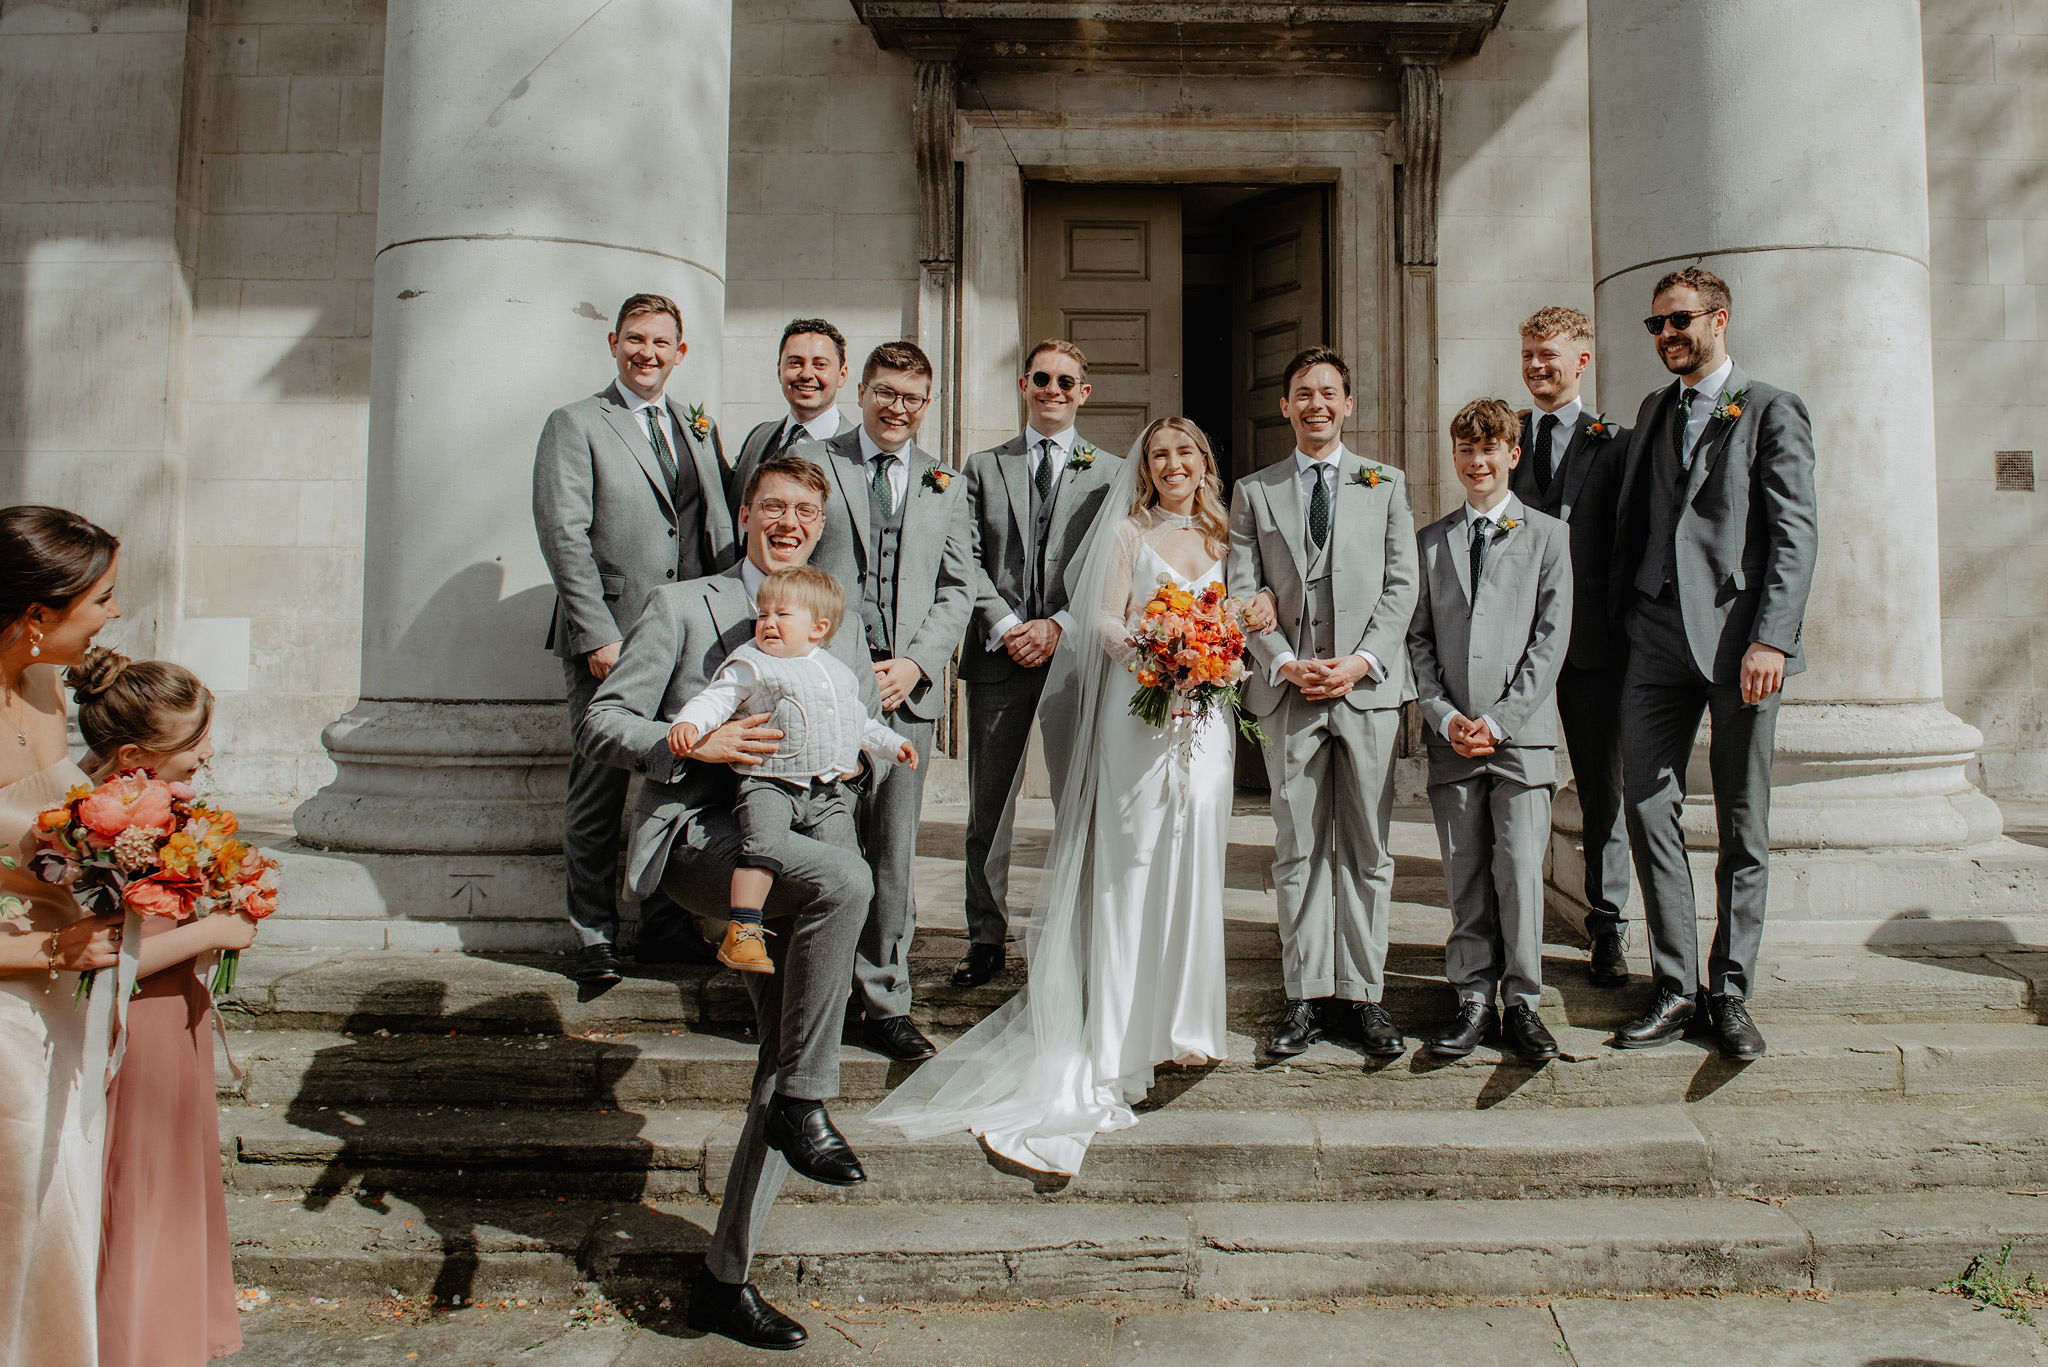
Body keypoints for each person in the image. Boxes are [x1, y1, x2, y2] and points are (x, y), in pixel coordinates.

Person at [872, 416, 1257, 1174]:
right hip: (1139, 711)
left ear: (1204, 461)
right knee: (1131, 861)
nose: (1173, 463)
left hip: (1206, 722)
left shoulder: (1227, 538)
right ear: (1146, 467)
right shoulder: (1126, 534)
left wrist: (1224, 644)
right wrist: (1155, 655)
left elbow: (1242, 615)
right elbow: (1103, 618)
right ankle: (1117, 1036)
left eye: (1186, 452)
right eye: (1159, 455)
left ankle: (1185, 1021)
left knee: (1194, 858)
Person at [578, 455, 876, 1351]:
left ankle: (725, 1276)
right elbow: (604, 722)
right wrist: (701, 745)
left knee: (778, 1059)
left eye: (803, 511)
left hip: (805, 843)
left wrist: (853, 760)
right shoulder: (684, 605)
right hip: (704, 843)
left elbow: (850, 724)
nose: (787, 521)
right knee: (846, 886)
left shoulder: (832, 614)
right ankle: (810, 1100)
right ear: (745, 513)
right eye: (772, 506)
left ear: (819, 525)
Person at [1608, 266, 1818, 1061]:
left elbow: (1795, 534)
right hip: (1653, 636)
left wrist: (1774, 637)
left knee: (1741, 817)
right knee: (1647, 803)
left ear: (1719, 319)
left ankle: (1728, 990)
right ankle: (1672, 983)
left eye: (1679, 321)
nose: (1666, 336)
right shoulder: (1652, 410)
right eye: (1656, 325)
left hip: (1741, 645)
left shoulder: (1769, 408)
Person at [532, 292, 739, 985]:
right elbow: (564, 534)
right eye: (635, 340)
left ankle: (668, 925)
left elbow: (715, 533)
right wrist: (595, 631)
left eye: (661, 343)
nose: (647, 353)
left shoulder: (698, 425)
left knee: (678, 779)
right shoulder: (576, 423)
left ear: (680, 352)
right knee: (598, 787)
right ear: (614, 342)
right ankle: (593, 935)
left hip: (687, 640)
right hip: (611, 638)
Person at [1226, 346, 1421, 1060]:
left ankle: (1365, 995)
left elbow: (1403, 585)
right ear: (1285, 406)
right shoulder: (1256, 490)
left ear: (1348, 404)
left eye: (1328, 393)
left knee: (1368, 847)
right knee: (1298, 846)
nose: (1315, 404)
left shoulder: (1387, 483)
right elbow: (1245, 590)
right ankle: (1305, 995)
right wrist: (1282, 660)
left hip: (1366, 692)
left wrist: (1361, 661)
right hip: (1289, 694)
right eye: (1302, 392)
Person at [785, 341, 974, 1064]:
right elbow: (789, 559)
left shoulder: (945, 482)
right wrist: (843, 665)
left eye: (913, 398)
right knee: (826, 846)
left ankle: (888, 1000)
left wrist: (916, 663)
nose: (898, 408)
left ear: (927, 405)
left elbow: (958, 587)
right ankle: (817, 998)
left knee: (893, 852)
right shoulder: (818, 464)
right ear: (859, 390)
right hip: (824, 690)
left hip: (908, 696)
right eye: (886, 392)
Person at [73, 650, 252, 1367]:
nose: (207, 753)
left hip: (177, 1016)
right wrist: (213, 931)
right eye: (193, 743)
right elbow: (102, 956)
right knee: (138, 1188)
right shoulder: (89, 825)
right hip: (135, 1027)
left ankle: (172, 1338)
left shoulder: (169, 814)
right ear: (132, 756)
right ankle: (133, 1345)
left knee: (174, 1184)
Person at [1408, 399, 1573, 1064]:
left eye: (1490, 449)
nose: (1477, 462)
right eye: (1466, 450)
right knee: (1465, 870)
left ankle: (1522, 1001)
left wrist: (1501, 720)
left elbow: (1550, 637)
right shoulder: (1431, 541)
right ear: (1455, 457)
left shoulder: (1547, 536)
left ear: (1512, 454)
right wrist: (1445, 716)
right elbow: (1417, 641)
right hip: (1453, 740)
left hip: (1521, 738)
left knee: (1518, 871)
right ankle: (1471, 993)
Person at [0, 505, 127, 1367]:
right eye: (103, 598)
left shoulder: (45, 685)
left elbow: (58, 830)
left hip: (63, 985)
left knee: (59, 1191)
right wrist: (50, 949)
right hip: (11, 985)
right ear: (39, 613)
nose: (114, 615)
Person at [952, 339, 1119, 989]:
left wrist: (1059, 627)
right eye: (1041, 378)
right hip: (998, 656)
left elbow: (1111, 564)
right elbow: (962, 554)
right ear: (1024, 385)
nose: (1053, 388)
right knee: (987, 810)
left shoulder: (1110, 472)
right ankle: (983, 937)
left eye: (1066, 380)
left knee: (1076, 803)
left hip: (1073, 660)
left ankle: (1075, 933)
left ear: (1084, 392)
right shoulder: (982, 466)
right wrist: (1006, 624)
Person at [669, 566, 917, 974]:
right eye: (763, 614)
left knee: (848, 867)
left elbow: (859, 724)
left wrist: (895, 745)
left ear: (818, 628)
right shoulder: (751, 662)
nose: (767, 623)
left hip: (825, 792)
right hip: (768, 782)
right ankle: (743, 931)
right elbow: (716, 698)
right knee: (763, 849)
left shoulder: (837, 673)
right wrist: (690, 724)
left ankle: (828, 951)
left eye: (782, 615)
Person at [1511, 307, 1635, 988]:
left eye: (1549, 355)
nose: (1536, 366)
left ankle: (1608, 926)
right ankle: (1515, 918)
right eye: (1528, 354)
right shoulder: (1508, 439)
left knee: (1601, 788)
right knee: (1516, 787)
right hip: (1516, 649)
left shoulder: (1615, 442)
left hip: (1594, 647)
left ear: (1581, 360)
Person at [731, 318, 858, 487]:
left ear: (842, 375)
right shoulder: (758, 437)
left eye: (820, 364)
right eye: (795, 363)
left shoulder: (859, 452)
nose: (806, 374)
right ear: (779, 371)